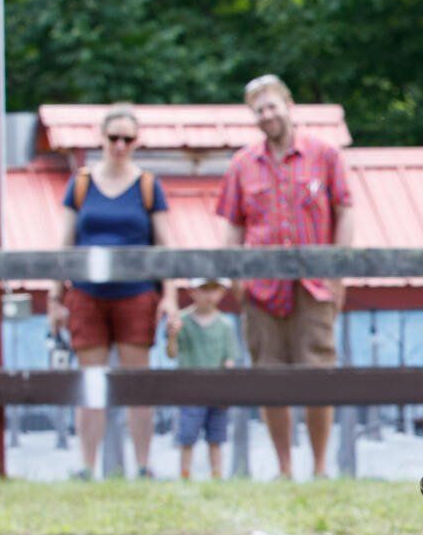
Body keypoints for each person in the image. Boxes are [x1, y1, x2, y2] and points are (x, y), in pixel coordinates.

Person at [214, 74, 354, 479]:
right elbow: (233, 226)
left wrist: (337, 271)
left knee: (319, 374)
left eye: (272, 106)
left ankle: (321, 466)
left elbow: (345, 210)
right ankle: (284, 467)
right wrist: (235, 277)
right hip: (260, 289)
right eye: (258, 110)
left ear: (288, 106)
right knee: (269, 376)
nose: (266, 115)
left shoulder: (323, 154)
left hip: (314, 284)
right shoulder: (243, 163)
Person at [48, 104, 175, 479]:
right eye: (113, 137)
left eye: (127, 138)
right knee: (91, 382)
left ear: (136, 142)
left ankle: (143, 464)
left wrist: (169, 297)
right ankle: (88, 465)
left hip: (136, 293)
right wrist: (55, 297)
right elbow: (65, 243)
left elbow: (165, 247)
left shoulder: (149, 186)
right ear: (100, 139)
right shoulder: (82, 183)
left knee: (137, 383)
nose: (120, 145)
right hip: (87, 294)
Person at [166, 277, 241, 480]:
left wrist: (226, 390)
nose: (209, 295)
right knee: (187, 437)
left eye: (213, 289)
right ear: (192, 292)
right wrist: (172, 335)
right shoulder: (182, 321)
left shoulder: (225, 324)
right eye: (203, 289)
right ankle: (185, 475)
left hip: (216, 393)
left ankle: (217, 475)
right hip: (190, 391)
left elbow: (230, 360)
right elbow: (172, 353)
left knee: (216, 438)